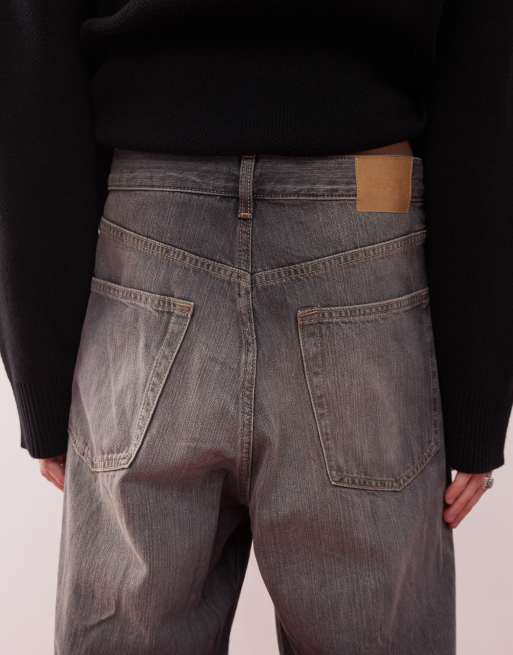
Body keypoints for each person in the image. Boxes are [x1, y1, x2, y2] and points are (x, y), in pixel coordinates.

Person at [1, 2, 511, 654]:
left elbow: (32, 53)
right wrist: (477, 389)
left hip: (152, 246)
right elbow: (482, 65)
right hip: (361, 233)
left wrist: (43, 372)